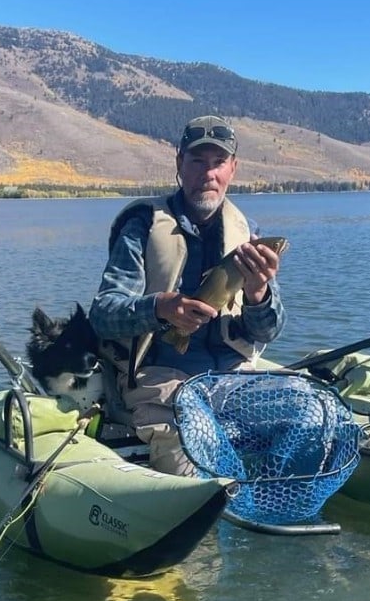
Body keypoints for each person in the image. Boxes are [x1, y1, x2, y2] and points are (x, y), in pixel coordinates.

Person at [89, 115, 286, 475]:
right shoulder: (142, 226)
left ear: (233, 169)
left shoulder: (248, 234)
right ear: (180, 164)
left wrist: (258, 294)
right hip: (160, 379)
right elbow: (103, 314)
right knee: (190, 452)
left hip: (233, 376)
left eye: (218, 163)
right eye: (197, 161)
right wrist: (160, 309)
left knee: (307, 417)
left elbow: (268, 333)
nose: (207, 174)